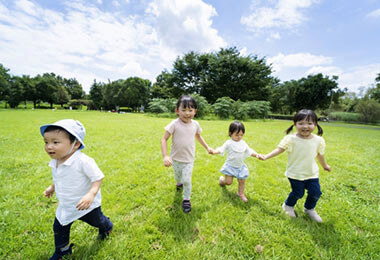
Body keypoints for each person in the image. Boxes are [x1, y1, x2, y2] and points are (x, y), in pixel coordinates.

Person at [41, 119, 113, 260]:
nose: (49, 146)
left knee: (97, 221)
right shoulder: (56, 160)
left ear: (76, 144)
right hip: (66, 205)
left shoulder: (83, 161)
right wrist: (52, 187)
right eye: (46, 142)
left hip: (86, 205)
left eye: (55, 142)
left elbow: (97, 178)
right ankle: (63, 251)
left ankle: (107, 226)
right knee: (59, 227)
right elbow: (60, 178)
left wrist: (91, 194)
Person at [260, 109, 331, 223]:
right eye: (301, 123)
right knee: (298, 193)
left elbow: (320, 155)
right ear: (295, 124)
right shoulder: (291, 139)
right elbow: (280, 150)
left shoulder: (319, 140)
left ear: (315, 124)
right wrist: (266, 156)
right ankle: (288, 206)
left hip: (311, 173)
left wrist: (325, 165)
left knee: (316, 192)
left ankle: (309, 208)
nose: (305, 126)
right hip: (295, 173)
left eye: (309, 123)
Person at [161, 95, 213, 213]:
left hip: (189, 159)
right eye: (183, 110)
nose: (187, 113)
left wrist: (207, 147)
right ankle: (179, 183)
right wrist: (165, 156)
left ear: (195, 111)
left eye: (190, 110)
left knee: (187, 180)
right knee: (178, 177)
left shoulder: (195, 124)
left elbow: (198, 136)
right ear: (177, 110)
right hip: (175, 159)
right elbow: (164, 139)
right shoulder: (174, 124)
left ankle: (186, 200)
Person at [211, 121, 261, 202]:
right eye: (237, 135)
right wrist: (214, 151)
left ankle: (240, 193)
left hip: (240, 167)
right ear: (230, 133)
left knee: (242, 181)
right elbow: (221, 149)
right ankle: (222, 180)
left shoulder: (243, 143)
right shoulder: (229, 143)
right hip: (230, 166)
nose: (239, 137)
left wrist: (257, 155)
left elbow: (249, 151)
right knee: (228, 182)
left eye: (241, 135)